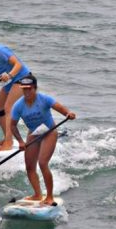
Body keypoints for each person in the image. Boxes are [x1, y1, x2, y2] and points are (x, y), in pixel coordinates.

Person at [10, 74, 76, 206]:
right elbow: (12, 125)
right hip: (34, 133)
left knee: (42, 163)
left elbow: (60, 108)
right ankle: (37, 194)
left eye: (29, 89)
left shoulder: (44, 99)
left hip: (49, 132)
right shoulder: (18, 105)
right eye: (24, 89)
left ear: (35, 88)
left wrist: (68, 114)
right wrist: (21, 142)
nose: (27, 92)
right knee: (29, 167)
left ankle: (50, 197)